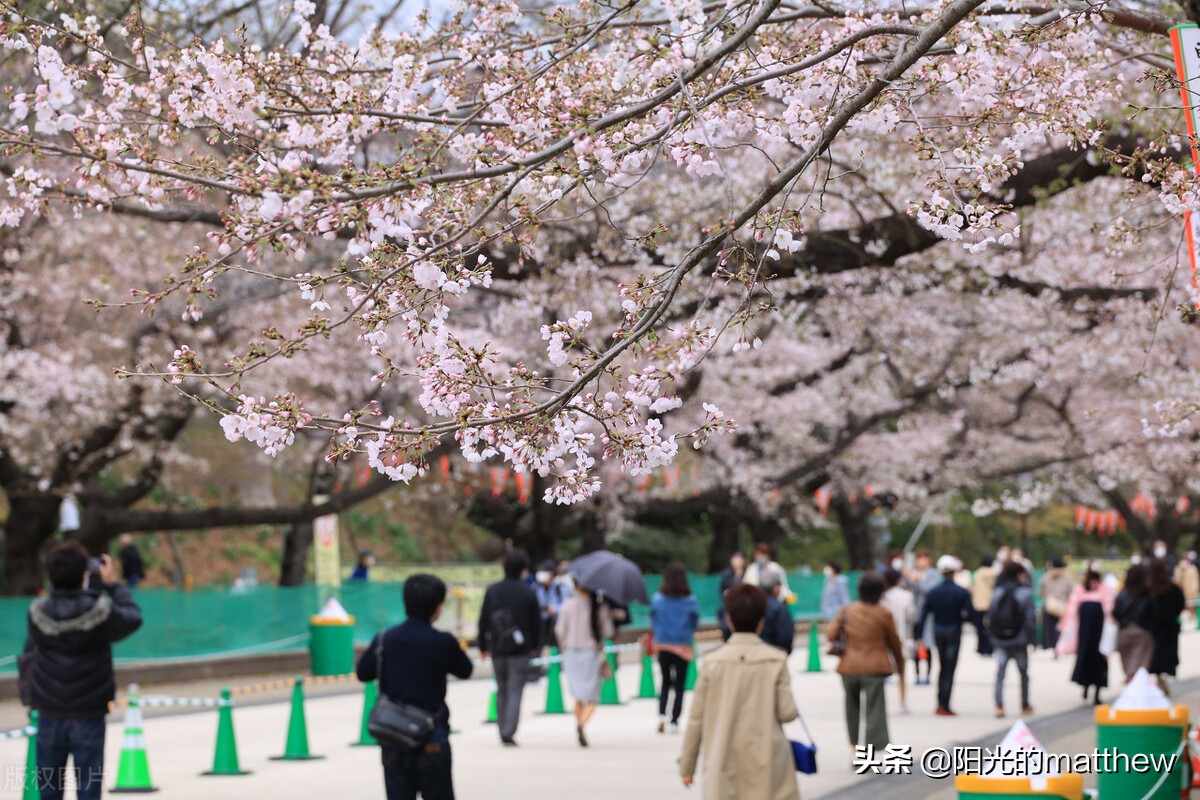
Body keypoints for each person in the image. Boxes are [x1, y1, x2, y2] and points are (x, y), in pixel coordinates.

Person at [25, 542, 142, 800]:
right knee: (89, 788)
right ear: (84, 574)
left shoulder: (37, 614)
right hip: (89, 713)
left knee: (48, 789)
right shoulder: (100, 612)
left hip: (49, 714)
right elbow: (133, 617)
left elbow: (29, 655)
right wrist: (113, 584)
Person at [356, 574, 473, 800]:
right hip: (431, 735)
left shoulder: (384, 639)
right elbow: (465, 670)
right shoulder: (443, 641)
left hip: (394, 735)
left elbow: (363, 672)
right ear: (437, 608)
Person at [678, 584, 800, 800]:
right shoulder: (776, 659)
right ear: (761, 622)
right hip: (768, 762)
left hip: (723, 761)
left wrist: (687, 765)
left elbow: (696, 719)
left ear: (729, 620)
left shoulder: (711, 663)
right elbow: (787, 713)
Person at [828, 571, 904, 756]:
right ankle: (868, 753)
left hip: (849, 667)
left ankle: (854, 748)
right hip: (875, 668)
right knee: (874, 712)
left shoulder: (846, 611)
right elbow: (894, 643)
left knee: (851, 708)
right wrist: (900, 667)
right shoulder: (884, 613)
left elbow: (831, 634)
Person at [477, 550, 542, 746]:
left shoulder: (493, 591)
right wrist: (535, 646)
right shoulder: (528, 592)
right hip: (521, 650)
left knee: (501, 689)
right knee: (515, 690)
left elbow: (483, 620)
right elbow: (537, 623)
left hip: (498, 648)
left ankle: (502, 727)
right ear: (523, 570)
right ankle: (508, 730)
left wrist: (482, 645)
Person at [555, 585, 614, 747]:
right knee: (592, 696)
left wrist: (564, 646)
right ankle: (582, 724)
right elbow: (608, 631)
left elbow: (560, 630)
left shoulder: (567, 605)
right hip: (591, 654)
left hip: (572, 653)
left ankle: (579, 723)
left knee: (578, 694)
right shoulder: (600, 607)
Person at [916, 555, 975, 716]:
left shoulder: (933, 592)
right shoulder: (961, 592)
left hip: (938, 631)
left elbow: (924, 615)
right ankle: (945, 704)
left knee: (942, 666)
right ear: (954, 571)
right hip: (954, 631)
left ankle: (941, 702)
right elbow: (971, 615)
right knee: (949, 668)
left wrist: (919, 635)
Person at [651, 562, 700, 734]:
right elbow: (695, 622)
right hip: (682, 646)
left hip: (663, 644)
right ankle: (674, 721)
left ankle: (661, 714)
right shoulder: (690, 600)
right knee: (679, 685)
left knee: (664, 682)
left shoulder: (658, 599)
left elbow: (654, 620)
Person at [1056, 565, 1112, 705]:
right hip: (1097, 635)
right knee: (1099, 661)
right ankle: (1096, 691)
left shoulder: (1080, 590)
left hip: (1085, 635)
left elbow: (1072, 610)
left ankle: (1086, 686)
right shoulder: (1103, 590)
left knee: (1086, 658)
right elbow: (1109, 609)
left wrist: (1066, 626)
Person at [989, 561, 1036, 718]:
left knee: (1000, 673)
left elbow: (991, 616)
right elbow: (1030, 619)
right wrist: (1033, 639)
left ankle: (999, 705)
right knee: (1023, 672)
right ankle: (1024, 704)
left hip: (1001, 639)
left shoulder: (997, 592)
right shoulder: (1025, 593)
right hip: (1019, 639)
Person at [1148, 558, 1185, 695]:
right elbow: (1180, 605)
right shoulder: (1173, 588)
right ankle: (1162, 678)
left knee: (1155, 655)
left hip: (1154, 629)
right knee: (1167, 655)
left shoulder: (1149, 589)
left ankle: (1158, 678)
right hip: (1169, 628)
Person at [880, 568, 914, 713]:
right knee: (901, 673)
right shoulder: (907, 596)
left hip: (883, 640)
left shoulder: (881, 598)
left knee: (881, 674)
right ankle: (902, 703)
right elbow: (911, 616)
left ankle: (881, 704)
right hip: (901, 637)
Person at [1113, 563, 1154, 682]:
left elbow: (1116, 612)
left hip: (1123, 632)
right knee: (1139, 667)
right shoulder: (1147, 594)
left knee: (1128, 664)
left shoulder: (1122, 594)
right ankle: (1133, 681)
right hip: (1142, 632)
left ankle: (1131, 680)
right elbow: (1153, 612)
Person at [905, 550, 939, 686]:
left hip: (929, 615)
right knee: (915, 646)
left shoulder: (933, 575)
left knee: (928, 645)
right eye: (919, 559)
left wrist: (917, 581)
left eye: (924, 558)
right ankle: (917, 674)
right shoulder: (912, 573)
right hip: (914, 614)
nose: (921, 562)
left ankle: (928, 675)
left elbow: (931, 591)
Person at [1039, 557, 1075, 654]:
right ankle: (1051, 647)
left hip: (1062, 608)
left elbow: (1071, 593)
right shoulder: (1045, 578)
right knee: (1049, 629)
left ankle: (1059, 648)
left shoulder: (1067, 579)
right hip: (1049, 607)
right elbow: (1041, 592)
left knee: (1061, 629)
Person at [758, 568, 795, 654]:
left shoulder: (753, 605)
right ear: (775, 588)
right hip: (774, 654)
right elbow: (785, 637)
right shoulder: (779, 608)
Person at [534, 560, 568, 648]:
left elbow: (567, 606)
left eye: (544, 571)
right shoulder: (536, 588)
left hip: (556, 625)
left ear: (551, 574)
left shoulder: (560, 588)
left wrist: (554, 609)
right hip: (541, 627)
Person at [971, 557, 996, 657]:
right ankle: (989, 648)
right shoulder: (994, 573)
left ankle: (981, 647)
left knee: (980, 628)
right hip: (990, 603)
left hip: (978, 604)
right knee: (990, 628)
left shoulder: (978, 573)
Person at [1172, 554, 1199, 627]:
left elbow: (1194, 583)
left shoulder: (1192, 569)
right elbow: (1176, 582)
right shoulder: (1177, 570)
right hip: (1180, 594)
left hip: (1190, 594)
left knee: (1192, 608)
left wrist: (1194, 592)